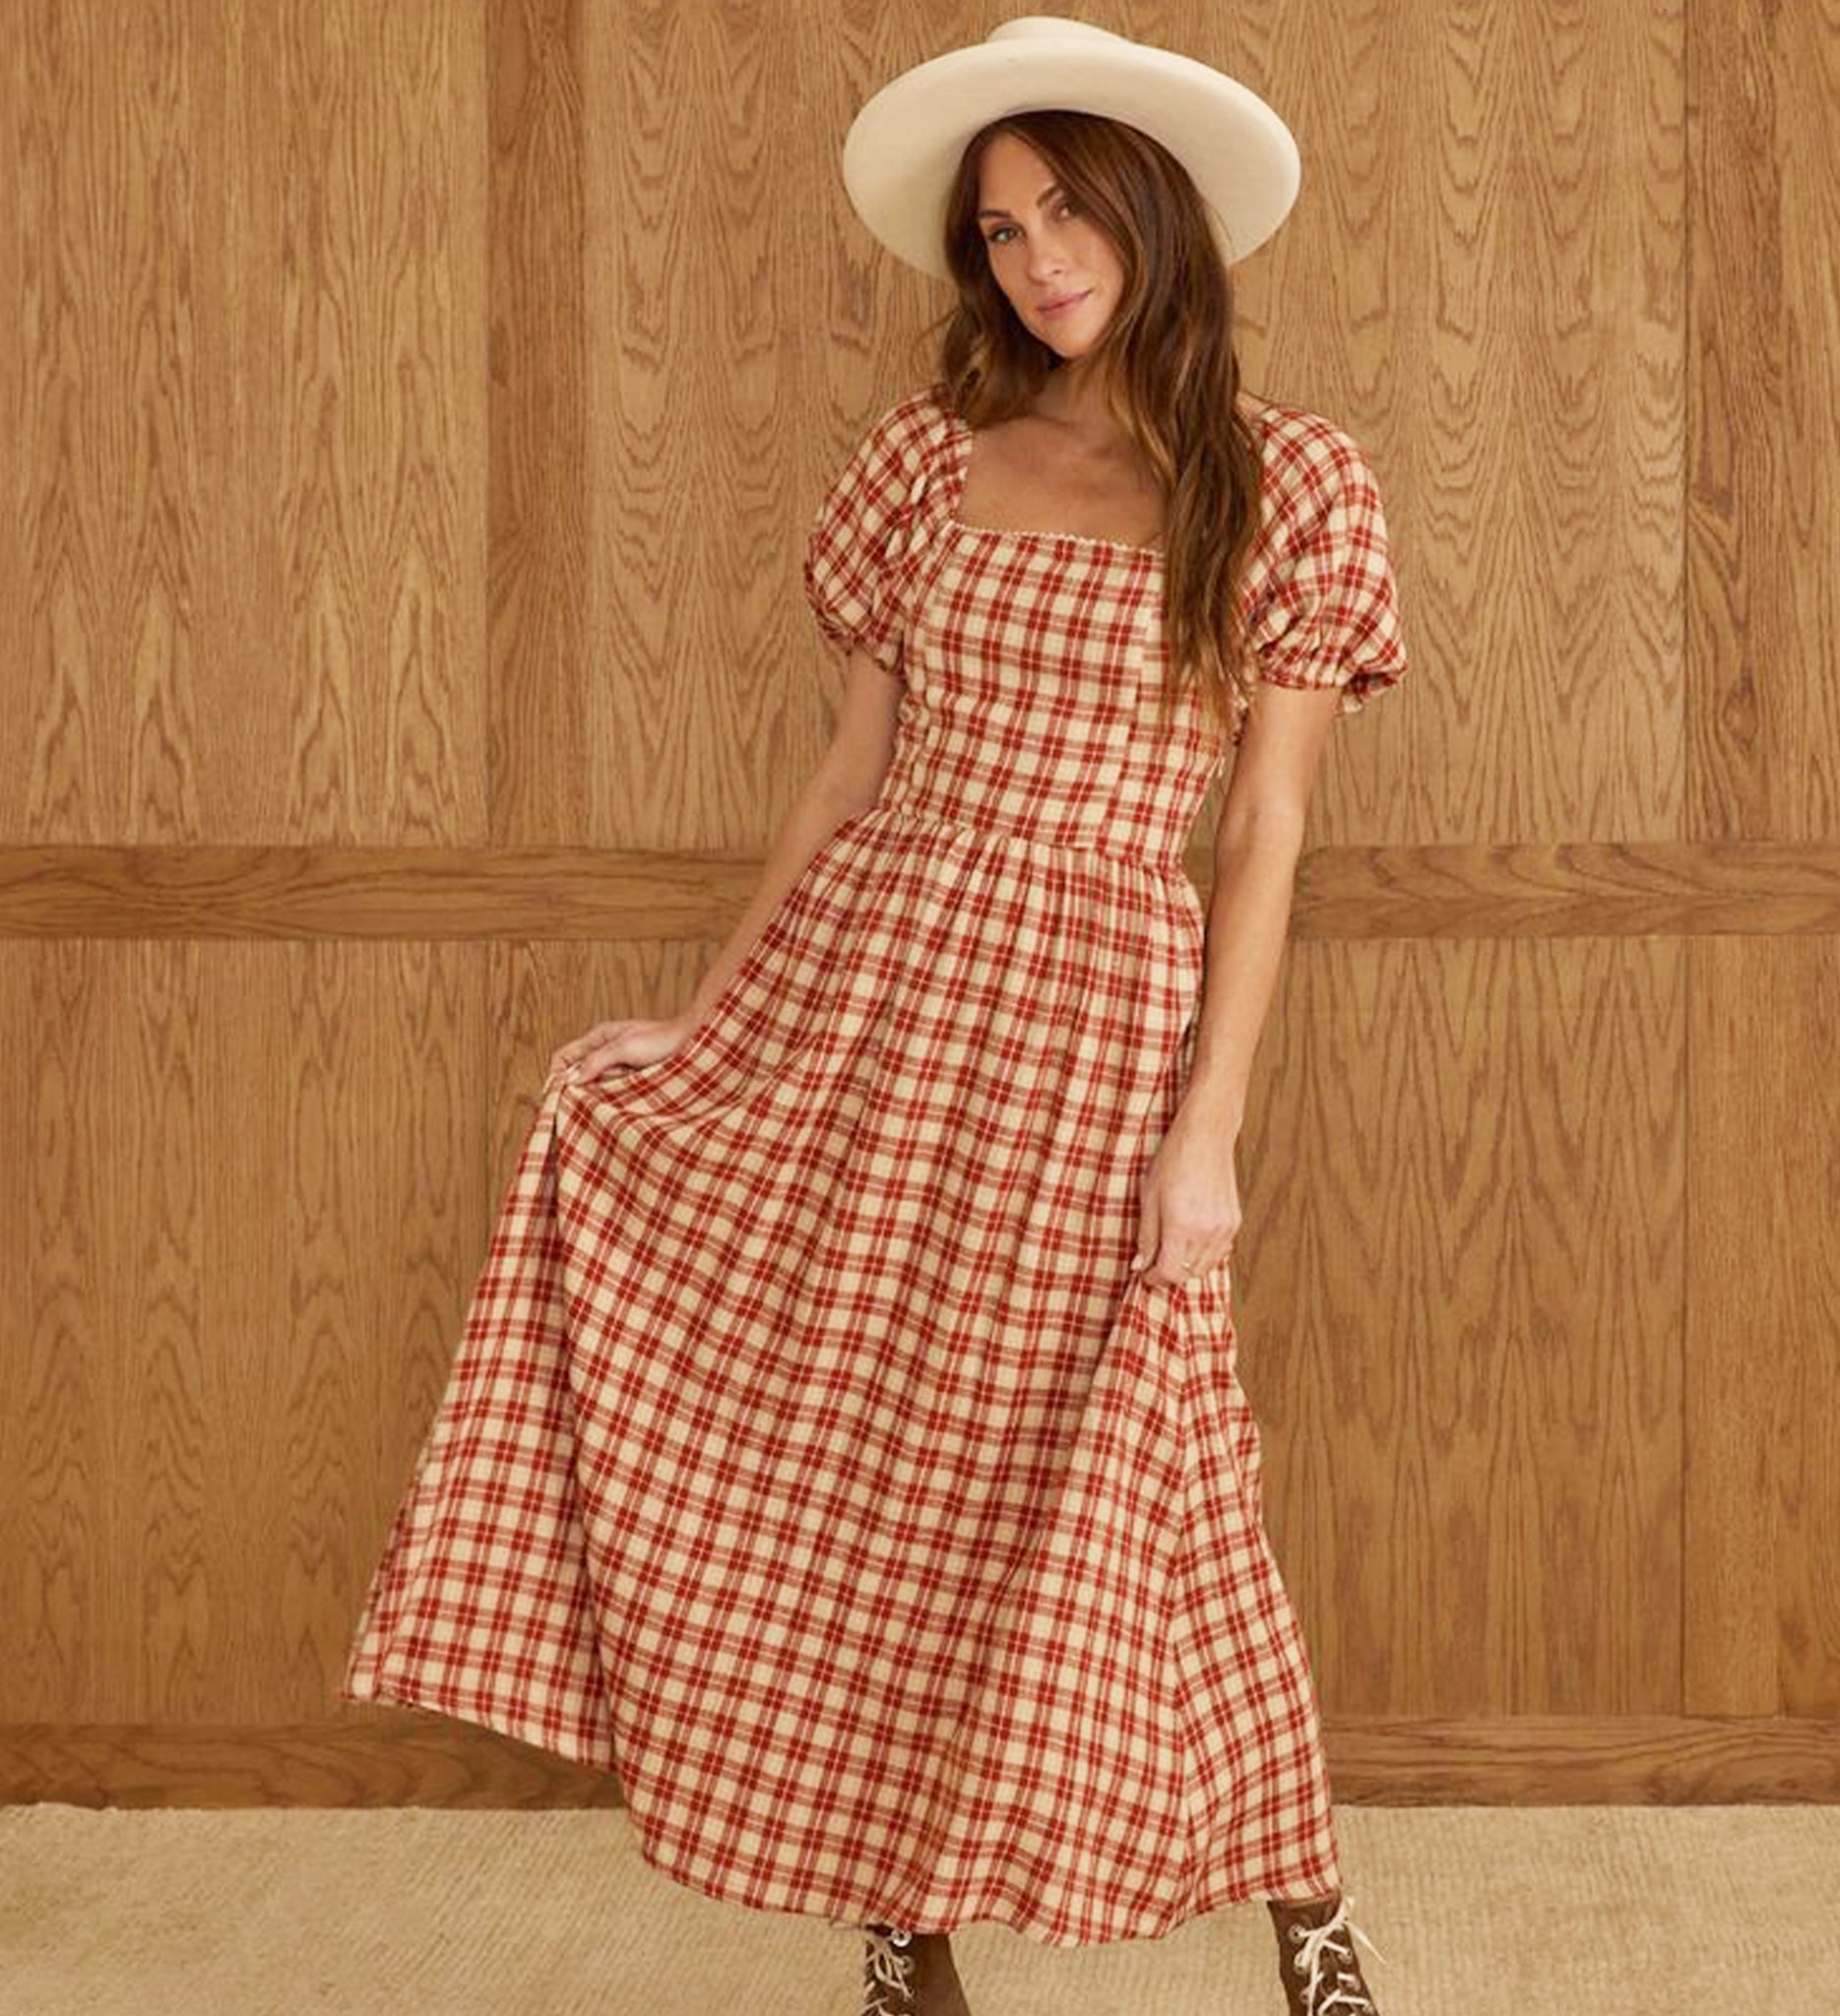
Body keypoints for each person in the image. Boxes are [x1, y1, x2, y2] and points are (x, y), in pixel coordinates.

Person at [339, 17, 1409, 2016]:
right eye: (1000, 232)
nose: (1038, 260)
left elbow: (1261, 829)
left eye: (1071, 210)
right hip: (872, 986)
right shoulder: (926, 457)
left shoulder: (1293, 487)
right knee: (860, 1448)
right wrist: (707, 1019)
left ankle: (1305, 1900)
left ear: (1154, 216)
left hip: (1096, 1007)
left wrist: (1209, 1129)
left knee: (1143, 1449)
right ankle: (898, 1923)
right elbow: (846, 783)